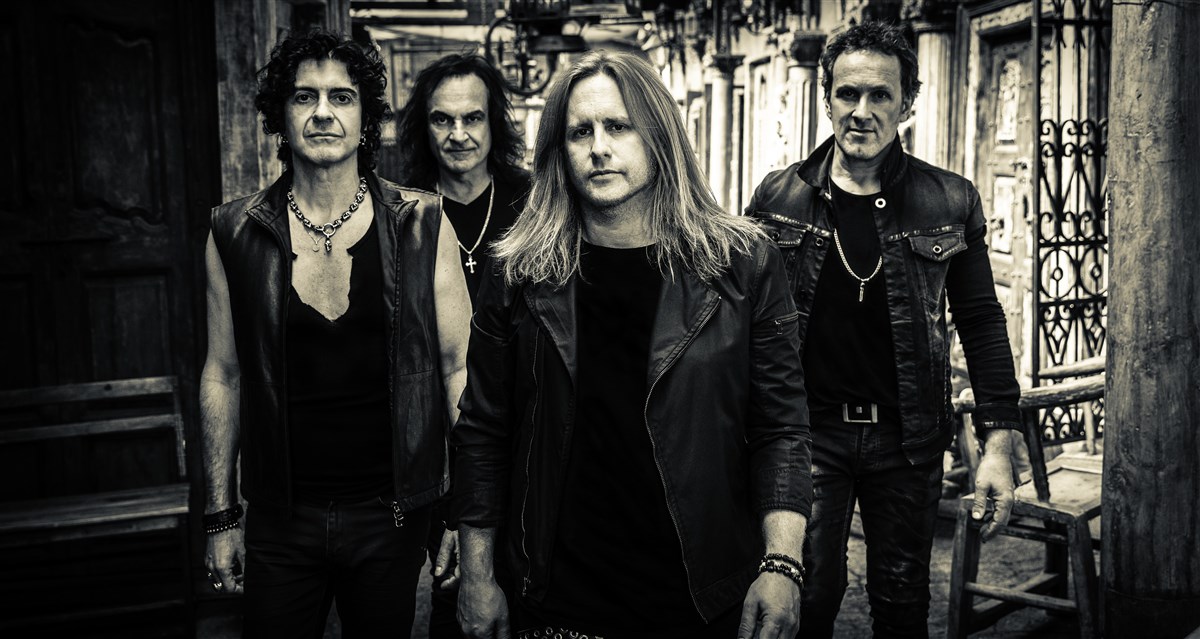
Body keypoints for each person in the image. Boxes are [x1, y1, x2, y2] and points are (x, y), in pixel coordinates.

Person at [451, 49, 813, 639]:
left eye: (618, 126)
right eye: (580, 132)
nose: (599, 147)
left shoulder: (744, 265)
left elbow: (781, 427)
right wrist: (477, 573)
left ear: (658, 135)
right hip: (558, 596)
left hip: (701, 593)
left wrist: (782, 562)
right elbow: (484, 430)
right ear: (558, 151)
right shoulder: (517, 271)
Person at [746, 22, 1021, 638]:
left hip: (908, 439)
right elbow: (744, 322)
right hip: (806, 435)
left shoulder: (949, 200)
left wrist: (999, 443)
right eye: (847, 94)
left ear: (907, 103)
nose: (861, 112)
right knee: (808, 595)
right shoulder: (778, 198)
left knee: (902, 600)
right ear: (827, 98)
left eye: (880, 96)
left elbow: (981, 321)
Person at [199, 30, 470, 637]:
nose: (323, 112)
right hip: (279, 518)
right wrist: (220, 517)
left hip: (392, 515)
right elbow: (223, 375)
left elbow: (458, 370)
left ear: (366, 118)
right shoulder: (233, 232)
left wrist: (465, 511)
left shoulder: (424, 225)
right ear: (280, 115)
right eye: (305, 97)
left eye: (341, 97)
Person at [394, 52, 530, 638]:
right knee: (452, 594)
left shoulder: (535, 203)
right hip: (429, 436)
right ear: (423, 127)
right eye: (441, 119)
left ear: (494, 121)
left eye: (472, 117)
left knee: (525, 584)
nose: (458, 134)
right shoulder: (400, 209)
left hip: (521, 423)